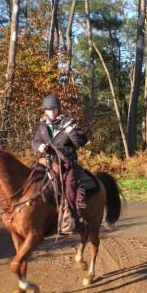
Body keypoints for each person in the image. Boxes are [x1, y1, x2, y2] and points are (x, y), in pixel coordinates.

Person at [32, 94, 88, 233]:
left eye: (54, 109)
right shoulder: (42, 125)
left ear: (58, 109)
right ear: (45, 110)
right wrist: (39, 147)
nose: (52, 111)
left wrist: (71, 131)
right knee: (31, 177)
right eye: (48, 109)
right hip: (47, 162)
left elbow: (81, 142)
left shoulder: (69, 122)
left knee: (69, 185)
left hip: (67, 162)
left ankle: (72, 218)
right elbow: (35, 141)